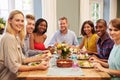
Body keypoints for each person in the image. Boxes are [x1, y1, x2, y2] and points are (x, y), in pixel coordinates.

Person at [0, 10, 49, 80]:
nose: (20, 23)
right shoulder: (9, 38)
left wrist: (40, 58)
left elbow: (23, 59)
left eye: (22, 21)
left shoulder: (16, 37)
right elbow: (14, 67)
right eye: (17, 20)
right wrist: (37, 67)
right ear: (9, 21)